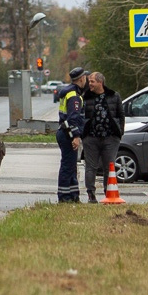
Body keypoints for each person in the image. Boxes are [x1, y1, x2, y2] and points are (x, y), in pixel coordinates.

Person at [80, 71, 125, 202]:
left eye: (92, 82)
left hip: (110, 138)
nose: (90, 84)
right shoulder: (86, 97)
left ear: (100, 82)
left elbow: (121, 115)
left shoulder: (114, 96)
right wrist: (84, 134)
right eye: (89, 82)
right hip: (91, 138)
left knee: (109, 167)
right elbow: (81, 116)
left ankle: (109, 193)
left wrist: (120, 132)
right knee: (91, 167)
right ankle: (91, 195)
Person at [54, 67, 86, 202]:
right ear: (81, 79)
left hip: (64, 132)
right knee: (68, 166)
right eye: (85, 78)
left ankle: (73, 195)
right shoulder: (74, 96)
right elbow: (73, 118)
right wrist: (76, 137)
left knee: (72, 166)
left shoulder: (68, 93)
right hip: (69, 134)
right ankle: (64, 196)